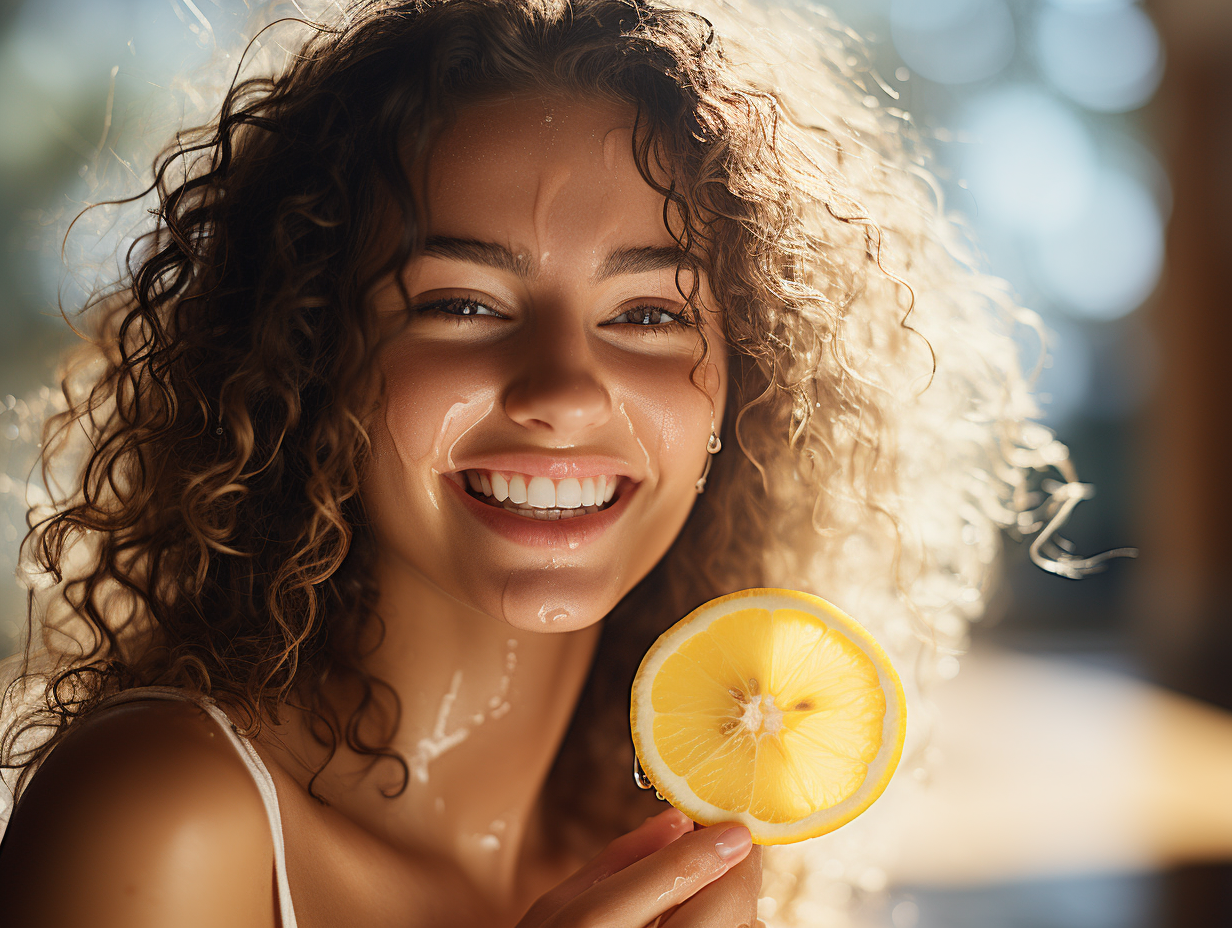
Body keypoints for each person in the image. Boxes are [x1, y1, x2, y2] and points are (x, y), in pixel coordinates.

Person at [0, 0, 1097, 925]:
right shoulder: (163, 816)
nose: (563, 389)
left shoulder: (673, 857)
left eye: (648, 313)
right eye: (462, 303)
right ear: (305, 351)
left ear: (743, 384)